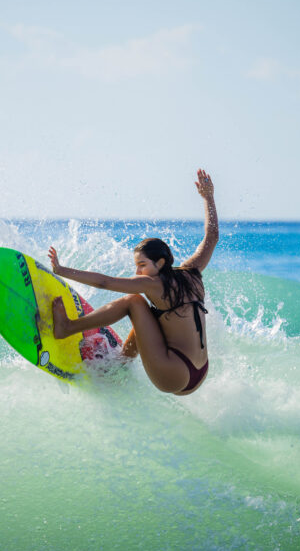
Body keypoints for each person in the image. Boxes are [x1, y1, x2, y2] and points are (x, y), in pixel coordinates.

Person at [49, 169, 219, 396]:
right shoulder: (192, 271)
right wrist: (209, 198)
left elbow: (104, 282)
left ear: (159, 263)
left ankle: (67, 328)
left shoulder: (154, 284)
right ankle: (120, 364)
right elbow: (212, 236)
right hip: (198, 372)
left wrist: (61, 270)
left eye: (142, 265)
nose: (137, 272)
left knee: (134, 302)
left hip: (174, 374)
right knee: (149, 313)